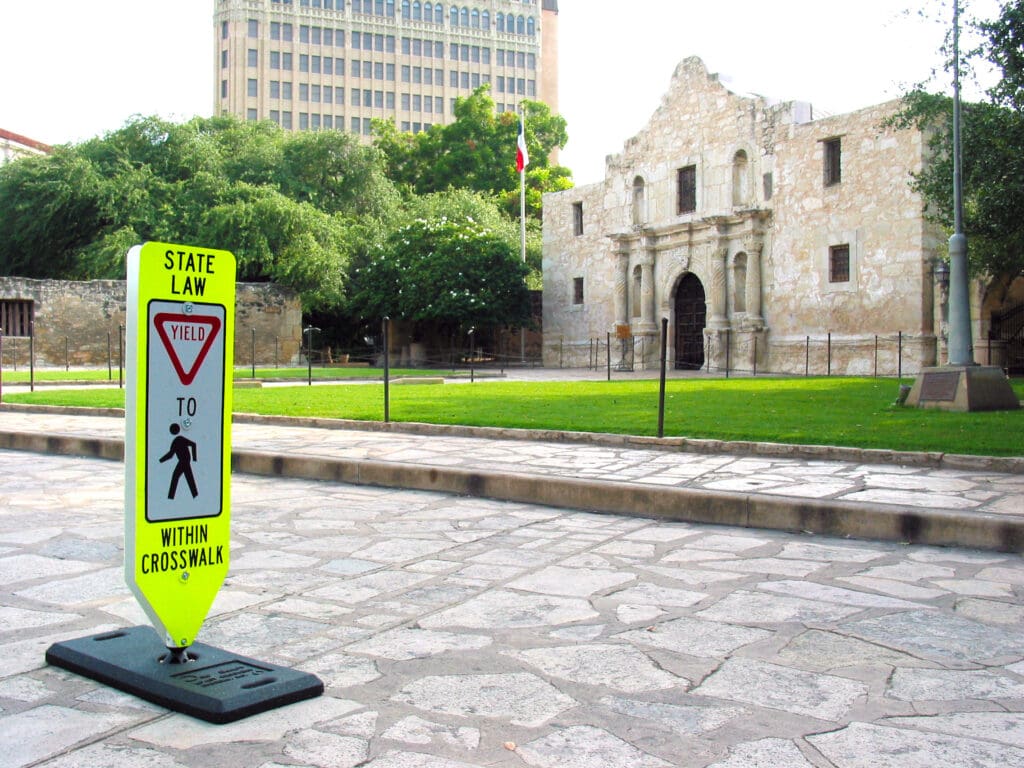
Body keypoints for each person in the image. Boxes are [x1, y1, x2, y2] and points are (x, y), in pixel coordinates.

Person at [159, 423, 198, 500]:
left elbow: (193, 444)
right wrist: (161, 460)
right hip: (184, 461)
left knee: (177, 476)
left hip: (184, 461)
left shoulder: (178, 439)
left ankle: (171, 497)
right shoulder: (176, 441)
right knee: (188, 477)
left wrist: (194, 459)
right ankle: (195, 495)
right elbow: (171, 455)